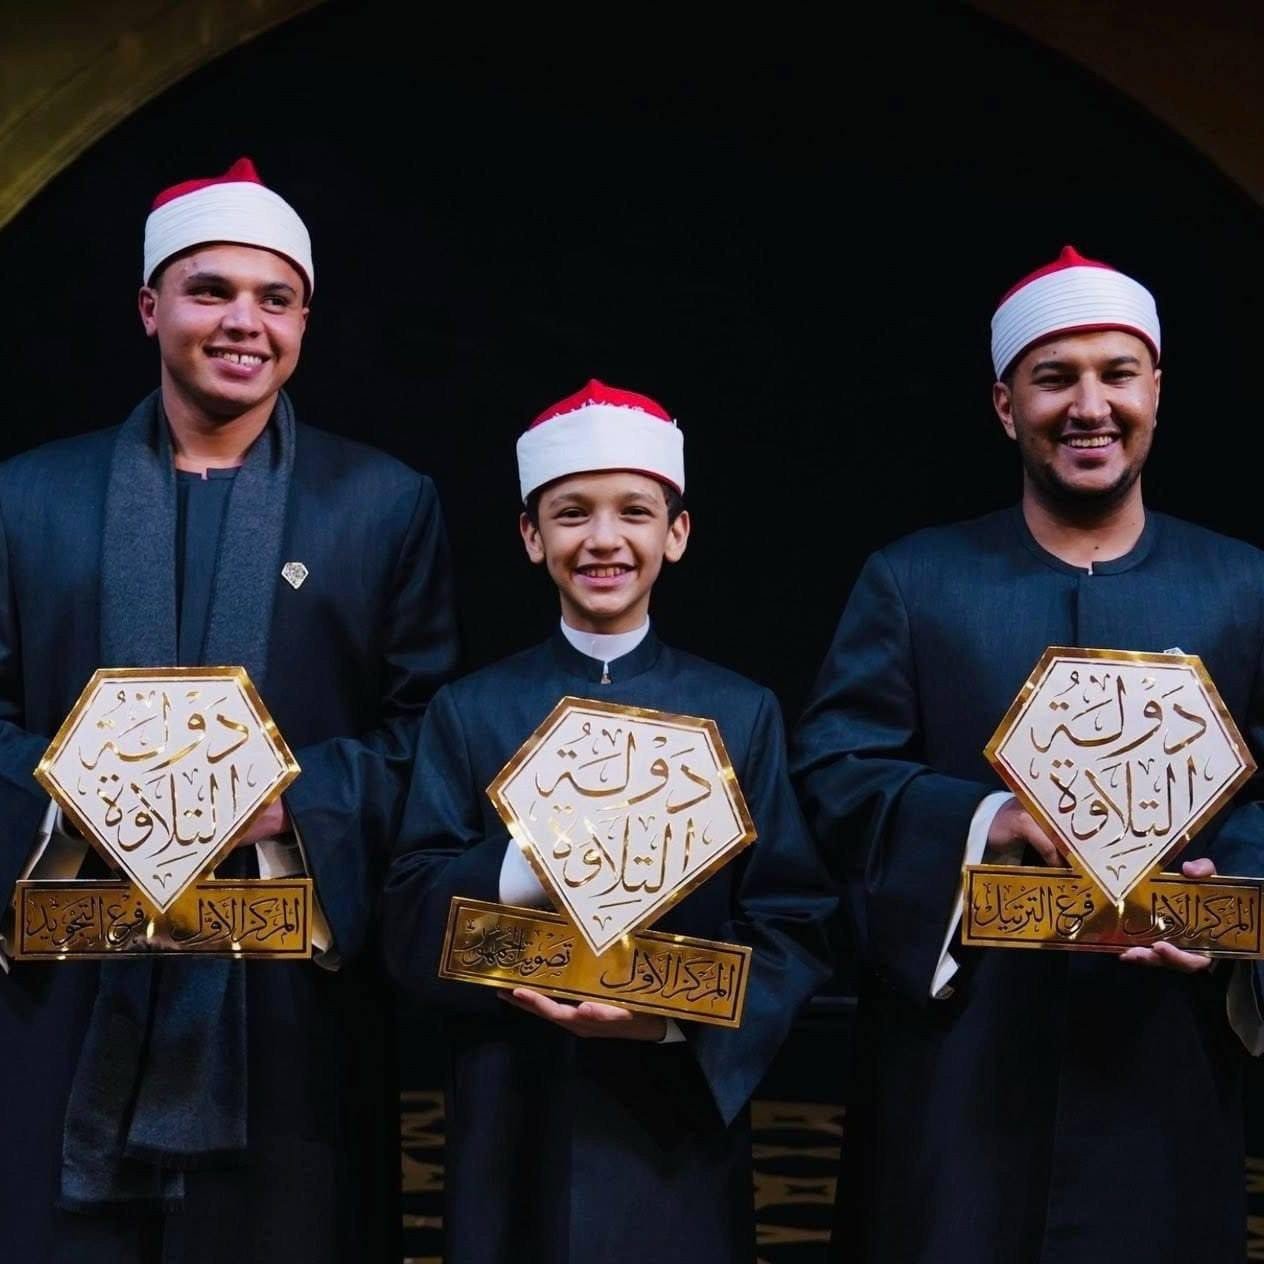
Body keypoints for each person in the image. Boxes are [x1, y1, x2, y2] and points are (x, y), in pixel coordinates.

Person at [0, 157, 459, 1262]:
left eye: (275, 298)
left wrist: (286, 802)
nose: (243, 322)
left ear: (303, 321)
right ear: (149, 307)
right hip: (70, 975)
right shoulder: (26, 498)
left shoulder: (383, 504)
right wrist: (75, 793)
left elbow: (429, 739)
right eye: (210, 291)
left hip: (287, 988)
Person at [791, 246, 1264, 1263]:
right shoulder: (914, 580)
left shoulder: (1243, 588)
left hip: (1164, 1067)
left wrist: (1230, 896)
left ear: (1156, 390)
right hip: (961, 1068)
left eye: (1116, 373)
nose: (1089, 406)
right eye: (1055, 378)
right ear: (1007, 406)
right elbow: (835, 769)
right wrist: (984, 820)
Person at [383, 379, 835, 1264]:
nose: (602, 540)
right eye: (570, 514)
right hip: (510, 1119)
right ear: (531, 536)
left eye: (634, 512)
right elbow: (405, 918)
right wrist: (528, 863)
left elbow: (793, 922)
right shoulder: (469, 710)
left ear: (677, 534)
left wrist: (664, 1021)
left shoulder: (740, 712)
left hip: (674, 1133)